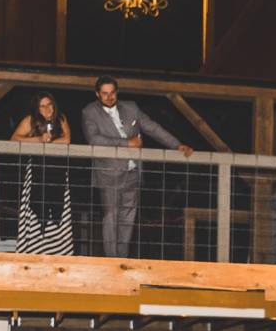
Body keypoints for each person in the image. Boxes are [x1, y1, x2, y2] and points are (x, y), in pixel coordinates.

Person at [81, 75, 194, 258]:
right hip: (108, 174)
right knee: (110, 218)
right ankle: (111, 261)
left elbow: (153, 128)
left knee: (128, 220)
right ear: (97, 94)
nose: (109, 97)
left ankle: (122, 260)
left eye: (112, 93)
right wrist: (127, 143)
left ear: (117, 92)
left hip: (133, 173)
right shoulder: (89, 112)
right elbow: (93, 139)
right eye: (105, 93)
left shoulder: (131, 107)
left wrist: (177, 145)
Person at [10, 91, 76, 255]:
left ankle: (58, 254)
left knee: (59, 214)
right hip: (37, 174)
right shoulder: (30, 120)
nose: (47, 109)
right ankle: (34, 252)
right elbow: (14, 139)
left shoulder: (61, 118)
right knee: (35, 213)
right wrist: (38, 140)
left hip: (58, 173)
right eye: (42, 106)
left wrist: (50, 142)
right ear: (37, 108)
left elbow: (67, 140)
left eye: (49, 104)